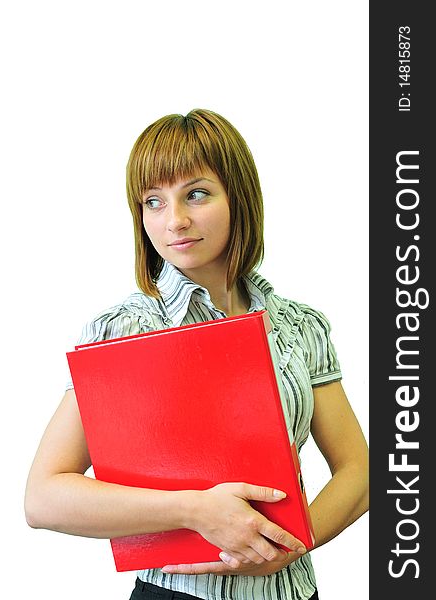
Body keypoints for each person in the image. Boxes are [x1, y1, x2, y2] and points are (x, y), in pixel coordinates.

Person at [25, 108, 369, 600]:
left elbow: (360, 470)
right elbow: (44, 497)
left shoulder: (299, 326)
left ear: (238, 196)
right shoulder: (124, 331)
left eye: (197, 193)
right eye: (153, 202)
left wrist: (290, 546)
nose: (175, 221)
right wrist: (193, 510)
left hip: (293, 592)